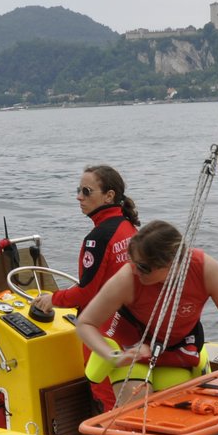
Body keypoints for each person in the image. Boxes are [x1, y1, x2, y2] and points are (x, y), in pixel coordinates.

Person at [75, 220, 218, 406]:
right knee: (136, 412)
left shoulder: (206, 270)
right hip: (131, 348)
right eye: (132, 261)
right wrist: (114, 356)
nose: (135, 270)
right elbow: (85, 323)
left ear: (172, 264)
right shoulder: (128, 278)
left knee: (177, 414)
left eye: (144, 267)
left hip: (175, 348)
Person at [28, 164, 139, 409]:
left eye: (86, 191)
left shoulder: (97, 238)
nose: (79, 197)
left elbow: (87, 292)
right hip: (129, 326)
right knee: (127, 389)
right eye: (78, 190)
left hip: (102, 329)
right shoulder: (128, 228)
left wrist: (52, 299)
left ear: (109, 196)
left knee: (105, 393)